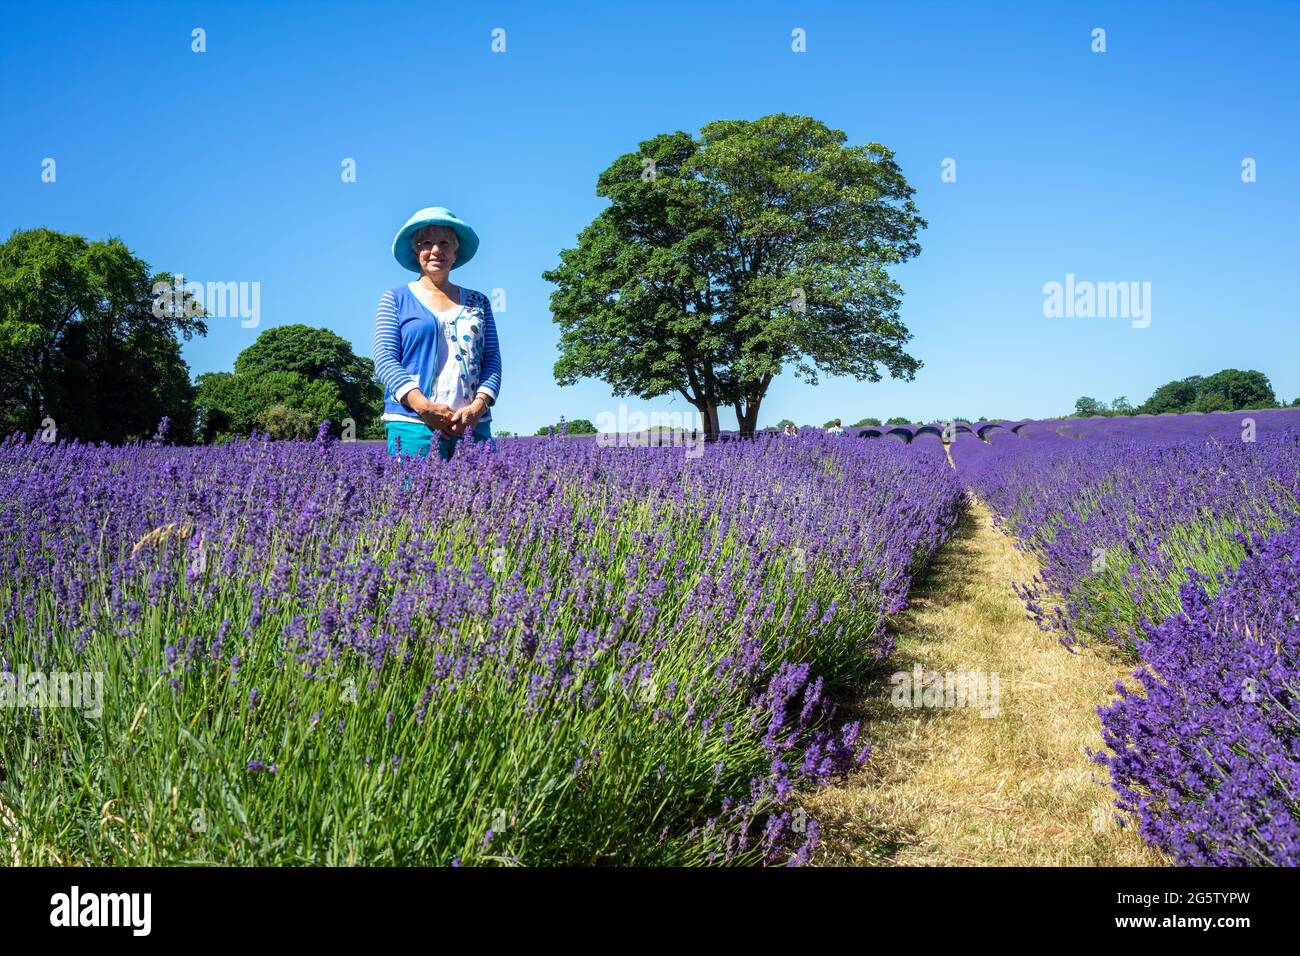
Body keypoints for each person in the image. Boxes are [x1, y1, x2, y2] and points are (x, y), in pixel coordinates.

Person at [373, 207, 501, 460]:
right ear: (416, 251)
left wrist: (477, 407)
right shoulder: (395, 299)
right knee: (414, 498)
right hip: (413, 424)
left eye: (444, 243)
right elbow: (385, 358)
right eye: (426, 243)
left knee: (483, 497)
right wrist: (424, 407)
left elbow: (492, 360)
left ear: (455, 252)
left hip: (472, 426)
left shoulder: (479, 302)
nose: (435, 251)